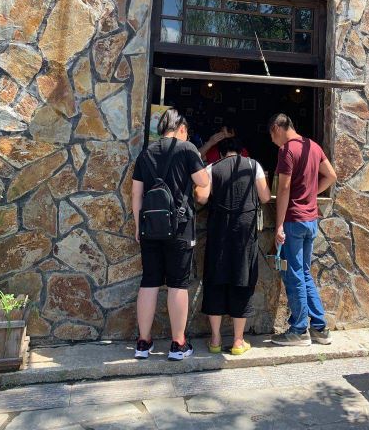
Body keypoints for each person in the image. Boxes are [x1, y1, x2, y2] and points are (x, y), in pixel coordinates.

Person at [132, 108, 209, 361]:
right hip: (179, 227)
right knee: (177, 284)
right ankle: (178, 344)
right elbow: (202, 182)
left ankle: (143, 342)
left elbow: (136, 194)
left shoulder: (146, 153)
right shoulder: (187, 149)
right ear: (182, 128)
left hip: (150, 227)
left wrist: (138, 226)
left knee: (149, 282)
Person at [195, 137, 270, 354]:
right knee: (242, 279)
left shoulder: (212, 168)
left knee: (215, 279)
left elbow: (201, 197)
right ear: (241, 151)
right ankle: (238, 341)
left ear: (221, 153)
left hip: (219, 231)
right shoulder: (253, 165)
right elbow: (265, 197)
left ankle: (215, 340)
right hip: (244, 233)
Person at [268, 113, 337, 347]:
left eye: (271, 136)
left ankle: (299, 330)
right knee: (304, 273)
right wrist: (311, 194)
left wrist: (279, 225)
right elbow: (331, 175)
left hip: (294, 221)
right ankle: (320, 328)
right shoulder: (313, 146)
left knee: (294, 274)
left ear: (277, 128)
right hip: (310, 221)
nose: (273, 141)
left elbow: (284, 188)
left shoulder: (287, 150)